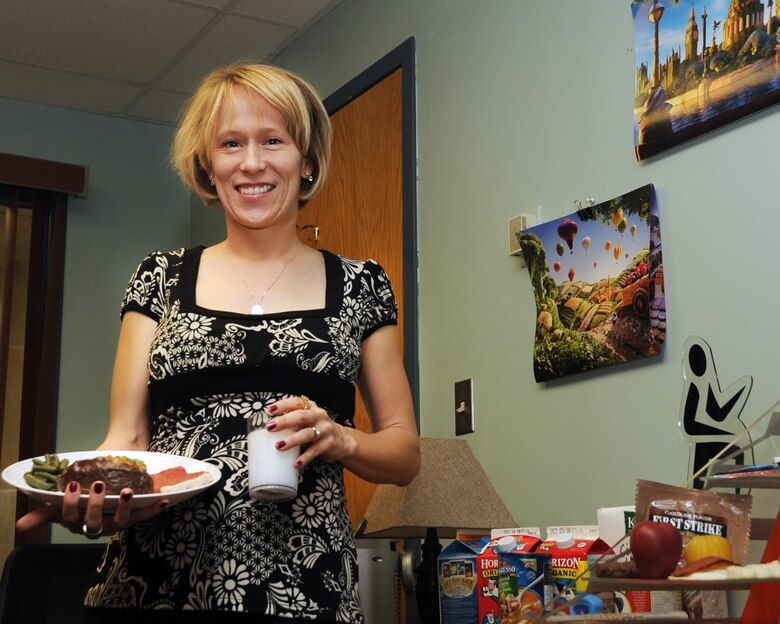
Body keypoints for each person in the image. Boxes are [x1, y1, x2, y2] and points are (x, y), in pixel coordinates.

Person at [17, 63, 420, 623]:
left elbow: (404, 452)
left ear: (306, 161)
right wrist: (98, 499)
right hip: (151, 584)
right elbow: (127, 436)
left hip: (307, 590)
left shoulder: (362, 284)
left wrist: (342, 439)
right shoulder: (159, 277)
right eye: (231, 143)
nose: (251, 163)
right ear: (208, 163)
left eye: (272, 140)